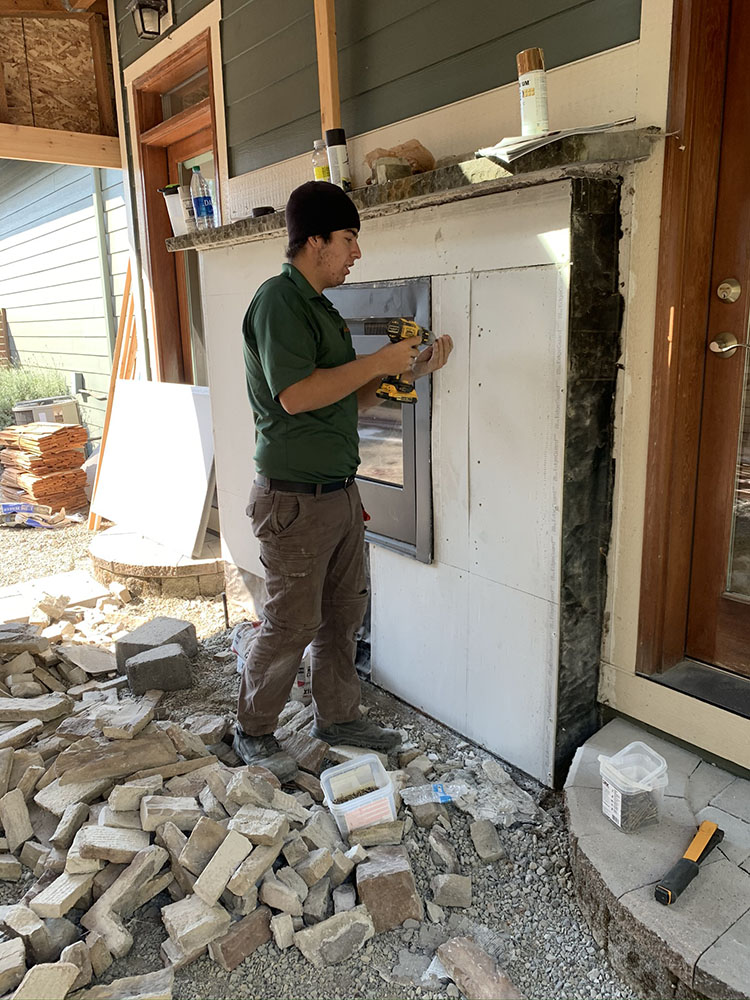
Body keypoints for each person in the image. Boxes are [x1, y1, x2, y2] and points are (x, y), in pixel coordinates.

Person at [234, 180, 454, 777]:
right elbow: (295, 395)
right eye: (349, 238)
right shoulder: (279, 301)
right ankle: (253, 728)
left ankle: (338, 717)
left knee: (342, 612)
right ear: (315, 241)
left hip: (337, 494)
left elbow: (342, 400)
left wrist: (407, 373)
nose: (357, 252)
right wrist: (379, 360)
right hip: (293, 501)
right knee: (291, 622)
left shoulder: (321, 307)